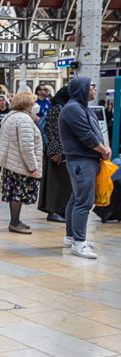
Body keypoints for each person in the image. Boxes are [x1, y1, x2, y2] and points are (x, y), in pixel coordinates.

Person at [59, 77, 111, 259]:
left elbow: (97, 132)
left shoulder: (83, 108)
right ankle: (79, 243)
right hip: (82, 160)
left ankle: (71, 237)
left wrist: (105, 146)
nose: (95, 89)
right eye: (92, 86)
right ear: (82, 89)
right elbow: (86, 135)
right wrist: (103, 150)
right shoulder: (73, 109)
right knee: (84, 202)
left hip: (87, 159)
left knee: (76, 198)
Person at [0, 92, 43, 234]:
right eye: (33, 103)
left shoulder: (10, 117)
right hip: (21, 163)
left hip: (12, 162)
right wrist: (33, 166)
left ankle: (16, 221)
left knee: (14, 192)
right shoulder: (24, 120)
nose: (35, 106)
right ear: (27, 104)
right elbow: (26, 145)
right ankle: (14, 223)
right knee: (19, 193)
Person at [38, 86, 71, 223]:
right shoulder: (57, 109)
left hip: (61, 152)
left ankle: (60, 210)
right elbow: (53, 132)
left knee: (61, 183)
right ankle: (52, 211)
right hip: (56, 154)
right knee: (54, 183)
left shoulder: (62, 108)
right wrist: (56, 152)